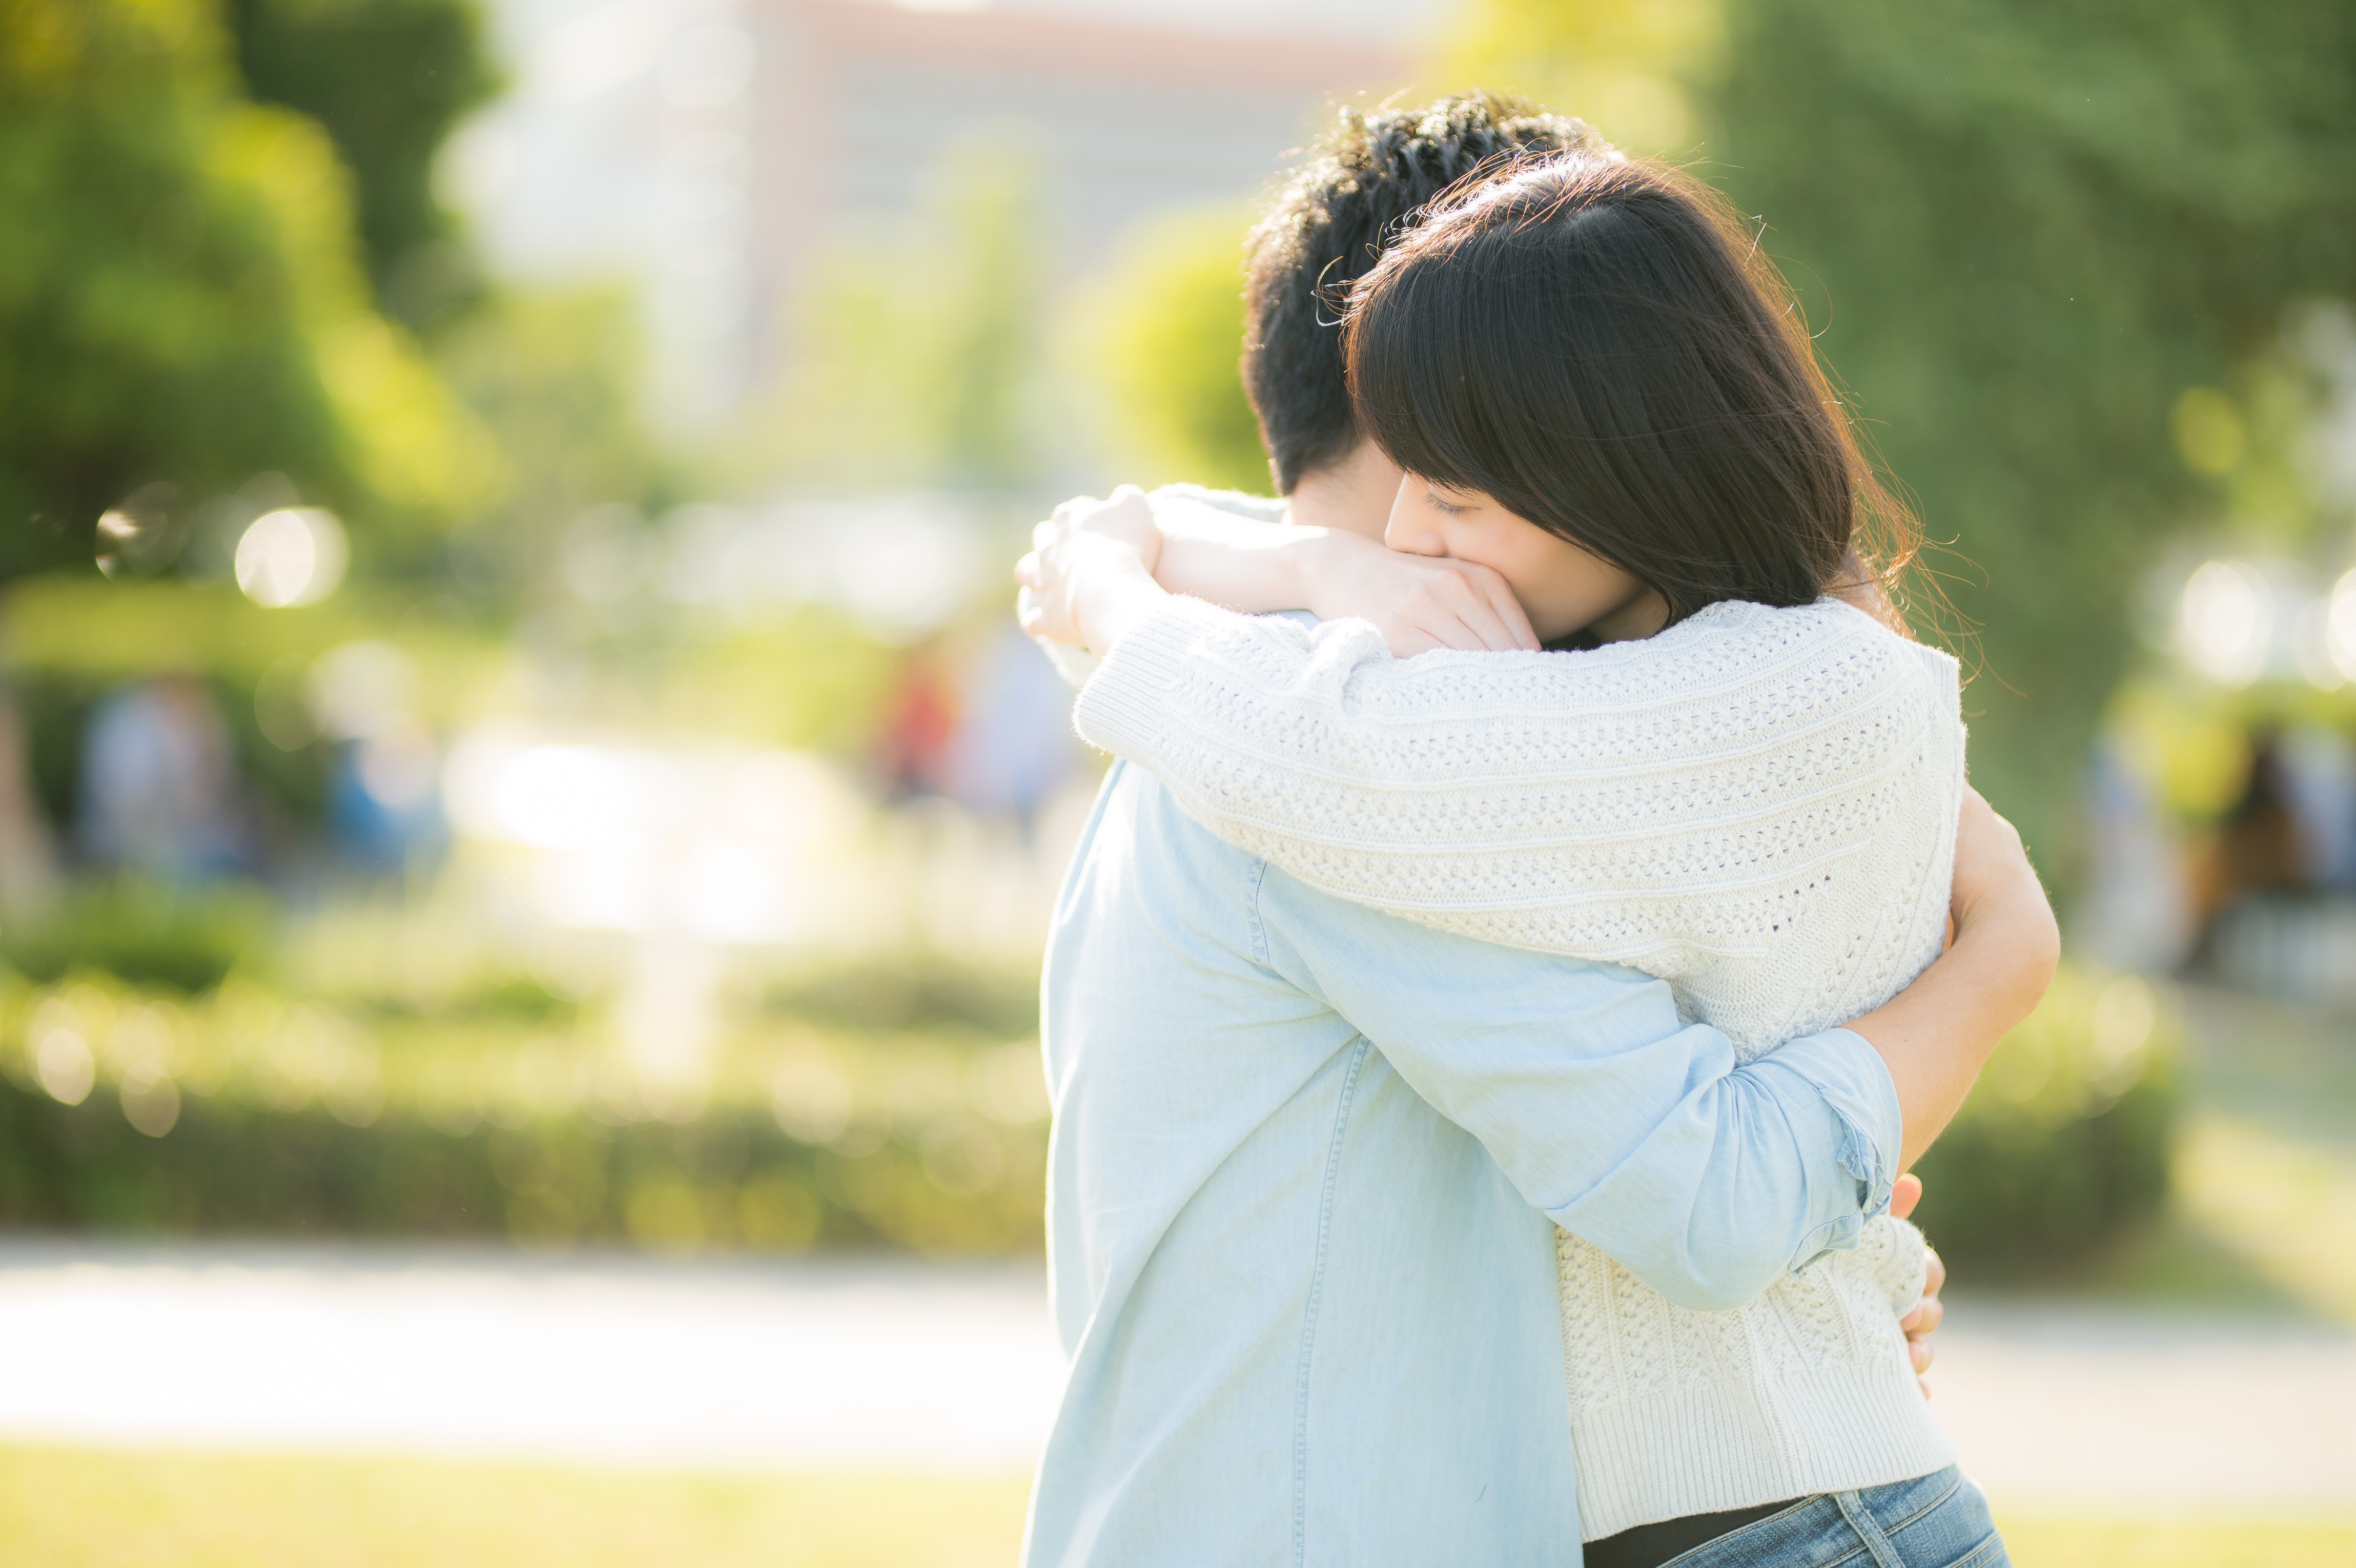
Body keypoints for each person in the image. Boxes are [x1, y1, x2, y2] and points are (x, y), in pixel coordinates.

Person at [1016, 98, 2057, 1567]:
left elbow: (1718, 1194)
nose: (1425, 552)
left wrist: (1129, 576)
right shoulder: (1313, 746)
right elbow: (1732, 1195)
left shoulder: (1395, 747)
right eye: (1422, 489)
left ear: (1584, 440)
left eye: (1467, 484)